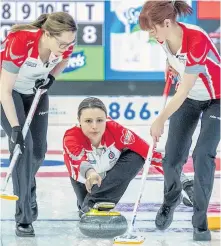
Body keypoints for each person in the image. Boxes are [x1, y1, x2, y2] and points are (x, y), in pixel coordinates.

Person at [139, 0, 220, 241]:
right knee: (172, 158)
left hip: (216, 99)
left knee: (203, 154)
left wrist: (160, 119)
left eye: (152, 29)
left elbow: (183, 90)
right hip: (190, 99)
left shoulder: (197, 39)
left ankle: (200, 222)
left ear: (166, 23)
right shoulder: (163, 37)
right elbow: (173, 60)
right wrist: (171, 65)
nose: (151, 35)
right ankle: (170, 201)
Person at [0, 12, 77, 237]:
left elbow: (64, 60)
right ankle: (23, 217)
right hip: (8, 94)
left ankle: (27, 186)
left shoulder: (66, 42)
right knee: (23, 151)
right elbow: (4, 91)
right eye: (61, 43)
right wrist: (15, 129)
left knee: (38, 153)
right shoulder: (22, 41)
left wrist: (52, 77)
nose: (66, 48)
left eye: (69, 43)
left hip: (36, 92)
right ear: (46, 34)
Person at [63, 97, 194, 218]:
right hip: (84, 180)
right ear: (79, 121)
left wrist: (184, 182)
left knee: (138, 156)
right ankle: (89, 201)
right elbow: (80, 162)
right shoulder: (71, 137)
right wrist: (91, 174)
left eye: (100, 120)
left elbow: (151, 155)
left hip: (109, 177)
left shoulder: (117, 131)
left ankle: (94, 203)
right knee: (83, 206)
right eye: (88, 121)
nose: (94, 126)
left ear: (106, 119)